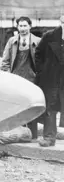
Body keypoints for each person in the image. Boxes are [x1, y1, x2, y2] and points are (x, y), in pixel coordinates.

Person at [1, 16, 41, 139]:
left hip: (32, 79)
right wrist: (8, 76)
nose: (22, 28)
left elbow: (43, 62)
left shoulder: (38, 41)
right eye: (20, 26)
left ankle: (33, 134)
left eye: (25, 25)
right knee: (16, 105)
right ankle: (17, 133)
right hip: (16, 78)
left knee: (32, 105)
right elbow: (5, 62)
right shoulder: (12, 41)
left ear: (30, 26)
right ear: (17, 27)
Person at [35, 15, 64, 147]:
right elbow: (38, 53)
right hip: (51, 79)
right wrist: (42, 72)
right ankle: (49, 137)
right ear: (60, 22)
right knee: (50, 109)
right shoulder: (49, 36)